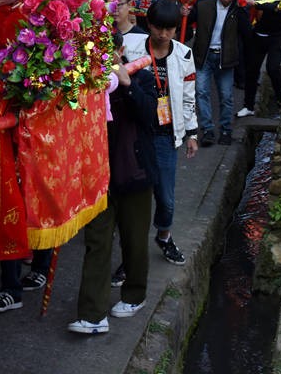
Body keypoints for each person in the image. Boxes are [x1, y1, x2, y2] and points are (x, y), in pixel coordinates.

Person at [68, 31, 159, 334]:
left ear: (119, 49)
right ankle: (93, 314)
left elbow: (152, 116)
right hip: (98, 179)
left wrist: (127, 84)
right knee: (97, 242)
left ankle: (135, 294)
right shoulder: (83, 83)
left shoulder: (142, 77)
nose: (101, 58)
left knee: (134, 240)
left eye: (107, 51)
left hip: (134, 174)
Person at [123, 0, 198, 265]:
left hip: (165, 135)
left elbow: (188, 96)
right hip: (132, 133)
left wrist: (192, 134)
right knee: (133, 200)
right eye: (158, 28)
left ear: (176, 29)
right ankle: (130, 258)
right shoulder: (129, 47)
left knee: (165, 198)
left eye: (169, 29)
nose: (163, 34)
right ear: (149, 25)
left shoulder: (184, 55)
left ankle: (164, 236)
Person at [188, 0, 248, 147]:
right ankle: (207, 129)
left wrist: (243, 9)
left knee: (226, 96)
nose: (226, 0)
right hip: (204, 56)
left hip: (226, 58)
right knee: (201, 92)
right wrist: (184, 13)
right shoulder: (203, 5)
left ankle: (226, 130)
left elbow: (246, 32)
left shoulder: (238, 8)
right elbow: (187, 20)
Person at [238, 0, 281, 118]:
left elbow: (278, 7)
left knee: (273, 69)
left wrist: (256, 2)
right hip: (259, 32)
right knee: (251, 70)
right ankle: (248, 106)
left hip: (278, 35)